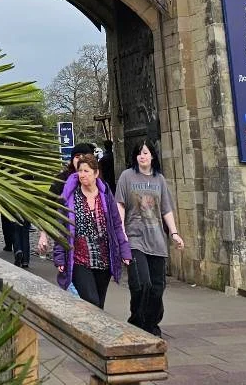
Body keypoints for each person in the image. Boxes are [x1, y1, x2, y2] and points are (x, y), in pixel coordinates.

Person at [114, 138, 183, 338]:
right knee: (141, 283)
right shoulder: (127, 176)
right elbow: (120, 204)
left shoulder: (159, 179)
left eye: (146, 152)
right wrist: (121, 232)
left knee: (157, 287)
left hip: (157, 240)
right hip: (135, 238)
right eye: (139, 153)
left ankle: (152, 323)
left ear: (152, 155)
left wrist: (175, 233)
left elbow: (166, 209)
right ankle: (137, 320)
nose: (142, 156)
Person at [52, 151, 131, 308]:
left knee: (99, 305)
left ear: (96, 173)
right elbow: (61, 229)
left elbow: (116, 226)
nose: (82, 175)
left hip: (103, 260)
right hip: (80, 258)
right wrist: (60, 256)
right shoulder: (70, 197)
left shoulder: (106, 195)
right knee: (91, 301)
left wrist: (125, 251)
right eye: (80, 171)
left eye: (86, 171)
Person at [36, 142, 93, 258]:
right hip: (69, 239)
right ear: (72, 160)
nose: (80, 160)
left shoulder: (99, 182)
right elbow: (48, 208)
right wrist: (43, 234)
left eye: (84, 157)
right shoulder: (61, 180)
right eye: (77, 157)